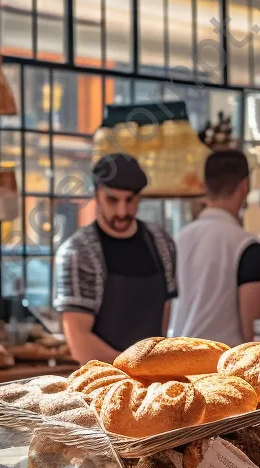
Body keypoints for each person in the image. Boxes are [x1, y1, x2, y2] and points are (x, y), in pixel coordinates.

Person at [54, 153, 177, 364]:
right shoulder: (78, 252)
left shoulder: (162, 242)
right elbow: (78, 340)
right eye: (112, 199)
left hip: (151, 380)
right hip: (100, 381)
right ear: (96, 194)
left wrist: (153, 372)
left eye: (130, 200)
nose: (122, 211)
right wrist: (133, 372)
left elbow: (164, 313)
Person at [169, 149, 260, 346]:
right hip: (224, 369)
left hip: (178, 363)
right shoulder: (248, 247)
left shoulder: (176, 241)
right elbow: (254, 336)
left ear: (204, 186)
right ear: (244, 187)